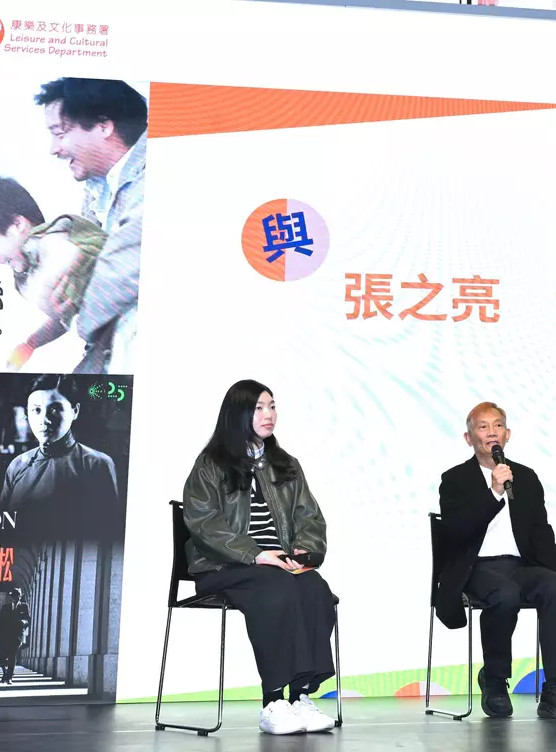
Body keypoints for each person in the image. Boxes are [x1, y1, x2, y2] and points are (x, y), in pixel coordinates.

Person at [183, 380, 336, 735]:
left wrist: (302, 551)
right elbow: (204, 522)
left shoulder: (286, 464)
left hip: (276, 565)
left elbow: (310, 516)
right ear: (238, 414)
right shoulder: (210, 465)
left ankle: (300, 697)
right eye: (259, 408)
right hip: (225, 565)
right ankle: (273, 701)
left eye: (272, 406)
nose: (269, 415)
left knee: (315, 588)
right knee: (277, 589)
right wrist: (254, 554)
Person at [435, 402, 556, 720]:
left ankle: (555, 687)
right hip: (475, 568)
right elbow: (456, 532)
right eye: (483, 427)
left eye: (498, 425)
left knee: (554, 588)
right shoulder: (455, 479)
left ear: (508, 434)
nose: (492, 432)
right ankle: (495, 678)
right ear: (469, 438)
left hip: (520, 566)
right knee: (504, 594)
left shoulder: (525, 478)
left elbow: (542, 534)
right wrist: (493, 492)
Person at [35, 78, 147, 374]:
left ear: (104, 126)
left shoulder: (154, 175)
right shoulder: (99, 186)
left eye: (59, 133)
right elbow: (86, 271)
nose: (53, 149)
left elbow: (122, 271)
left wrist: (77, 317)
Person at [0, 177, 107, 372]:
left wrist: (41, 287)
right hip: (103, 333)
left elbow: (65, 254)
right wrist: (31, 343)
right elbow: (62, 319)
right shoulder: (26, 274)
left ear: (18, 224)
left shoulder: (54, 233)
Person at [0, 375, 121, 539]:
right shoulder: (17, 465)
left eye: (55, 409)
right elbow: (3, 529)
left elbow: (110, 532)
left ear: (75, 411)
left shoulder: (97, 464)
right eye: (36, 410)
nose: (44, 420)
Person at [0, 588, 31, 685]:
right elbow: (0, 621)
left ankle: (9, 677)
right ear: (11, 597)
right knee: (3, 657)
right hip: (4, 634)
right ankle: (5, 672)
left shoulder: (24, 607)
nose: (16, 598)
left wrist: (24, 622)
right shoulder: (5, 607)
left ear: (20, 597)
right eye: (14, 596)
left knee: (12, 655)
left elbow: (28, 619)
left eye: (17, 596)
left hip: (17, 635)